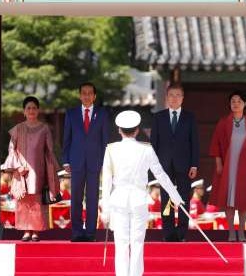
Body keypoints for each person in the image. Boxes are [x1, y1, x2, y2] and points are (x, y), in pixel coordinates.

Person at [101, 110, 183, 276]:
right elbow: (160, 174)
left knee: (121, 243)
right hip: (139, 200)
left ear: (119, 130)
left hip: (119, 200)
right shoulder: (146, 149)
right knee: (137, 243)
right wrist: (175, 196)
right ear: (137, 130)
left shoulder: (111, 149)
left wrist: (105, 208)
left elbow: (107, 181)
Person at [209, 91, 246, 242]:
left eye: (239, 101)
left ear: (245, 104)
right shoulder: (223, 123)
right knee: (229, 199)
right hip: (229, 165)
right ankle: (231, 232)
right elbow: (216, 143)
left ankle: (241, 231)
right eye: (233, 101)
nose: (235, 103)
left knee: (244, 199)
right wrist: (219, 163)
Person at [1, 96, 60, 242]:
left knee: (36, 200)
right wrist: (17, 167)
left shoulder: (44, 129)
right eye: (28, 108)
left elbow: (49, 151)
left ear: (38, 110)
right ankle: (26, 231)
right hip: (21, 171)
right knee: (23, 200)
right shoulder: (18, 129)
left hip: (38, 170)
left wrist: (51, 171)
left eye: (34, 108)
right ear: (24, 111)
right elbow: (11, 150)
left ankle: (36, 232)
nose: (31, 110)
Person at [150, 84, 200, 242]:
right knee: (166, 198)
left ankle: (182, 232)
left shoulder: (189, 117)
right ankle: (168, 232)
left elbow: (195, 142)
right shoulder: (158, 117)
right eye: (171, 95)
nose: (174, 98)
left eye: (178, 95)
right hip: (163, 165)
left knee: (184, 197)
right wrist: (154, 165)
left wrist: (194, 165)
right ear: (166, 97)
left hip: (184, 164)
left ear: (183, 98)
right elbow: (154, 144)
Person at [62, 82, 110, 242]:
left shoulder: (102, 114)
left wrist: (105, 162)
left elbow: (105, 141)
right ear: (80, 95)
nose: (87, 95)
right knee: (75, 198)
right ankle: (76, 232)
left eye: (90, 93)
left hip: (95, 162)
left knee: (92, 198)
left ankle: (90, 233)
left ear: (94, 96)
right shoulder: (71, 114)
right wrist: (65, 160)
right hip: (75, 162)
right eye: (84, 93)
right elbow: (66, 139)